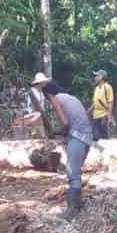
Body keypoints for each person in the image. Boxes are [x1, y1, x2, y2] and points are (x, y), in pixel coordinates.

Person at [26, 74, 93, 220]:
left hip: (78, 137)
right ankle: (78, 203)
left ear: (48, 94)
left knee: (72, 173)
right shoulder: (70, 97)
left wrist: (56, 131)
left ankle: (71, 210)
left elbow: (66, 123)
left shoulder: (56, 99)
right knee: (75, 171)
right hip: (87, 137)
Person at [90, 70, 114, 141]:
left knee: (104, 137)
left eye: (96, 76)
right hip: (96, 115)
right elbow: (95, 102)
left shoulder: (108, 87)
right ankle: (97, 151)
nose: (95, 78)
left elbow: (110, 102)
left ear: (101, 77)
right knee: (95, 136)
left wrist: (109, 117)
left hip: (104, 115)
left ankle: (105, 151)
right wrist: (89, 110)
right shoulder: (96, 88)